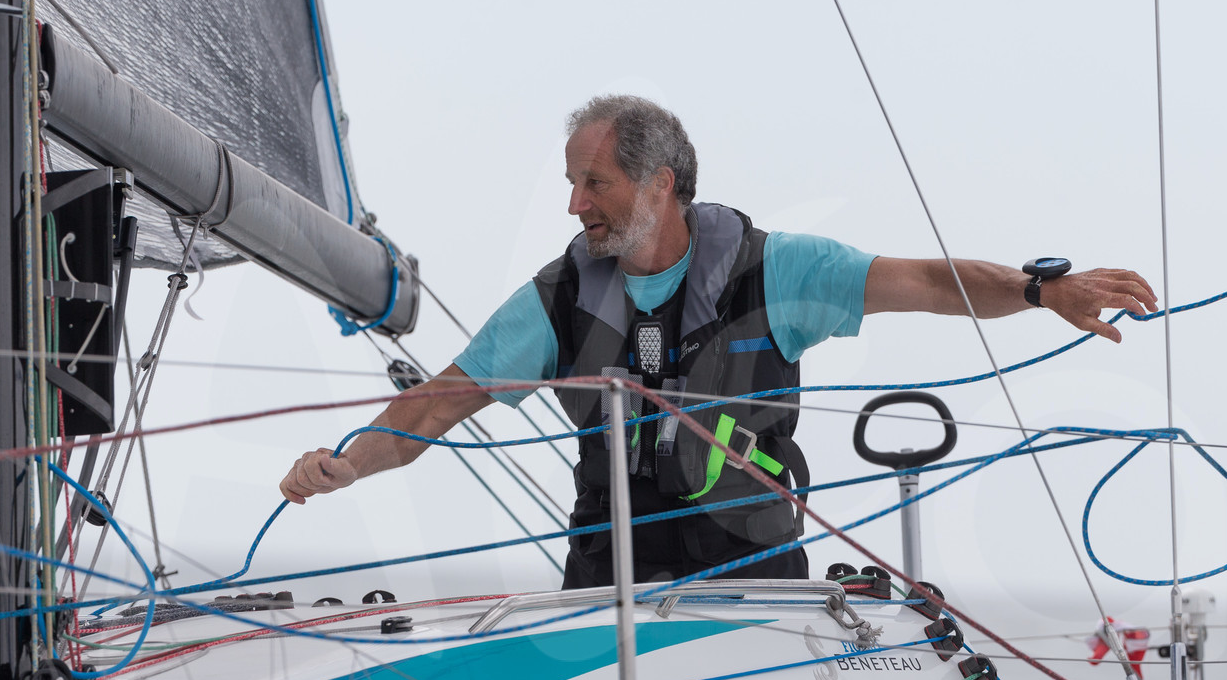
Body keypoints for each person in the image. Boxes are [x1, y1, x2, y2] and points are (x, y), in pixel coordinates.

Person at [280, 95, 1157, 589]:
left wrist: (1041, 290)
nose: (575, 205)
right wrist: (351, 463)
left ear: (659, 185)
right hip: (609, 596)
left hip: (754, 591)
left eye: (595, 183)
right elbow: (436, 405)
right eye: (573, 184)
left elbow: (927, 283)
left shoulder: (777, 271)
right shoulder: (557, 299)